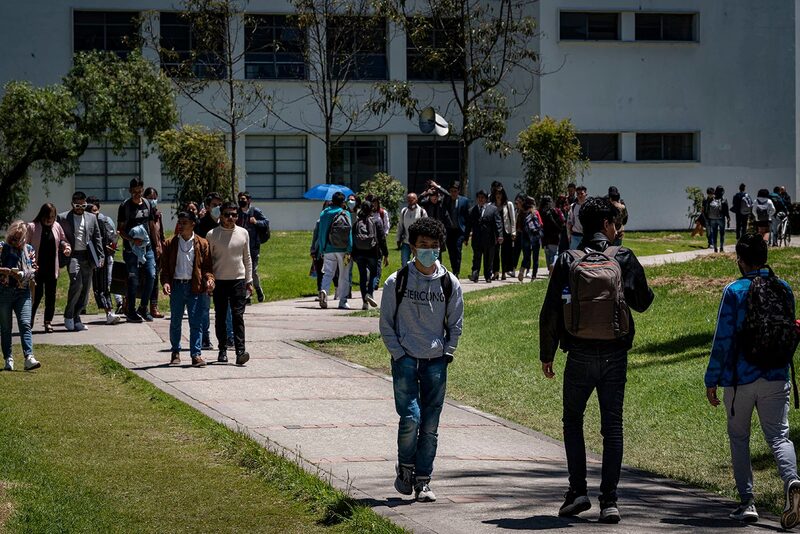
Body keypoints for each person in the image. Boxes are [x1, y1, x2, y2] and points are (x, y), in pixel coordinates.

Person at [540, 196, 654, 524]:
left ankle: (577, 492)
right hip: (615, 355)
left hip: (578, 354)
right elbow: (643, 303)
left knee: (573, 421)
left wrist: (547, 353)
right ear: (606, 224)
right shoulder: (622, 256)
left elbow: (550, 311)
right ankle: (610, 502)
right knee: (612, 426)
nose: (618, 229)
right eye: (615, 223)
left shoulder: (567, 259)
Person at [704, 233, 800, 528]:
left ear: (740, 261)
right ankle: (793, 480)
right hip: (776, 376)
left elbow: (723, 338)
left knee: (740, 438)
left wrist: (712, 378)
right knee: (779, 436)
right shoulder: (784, 289)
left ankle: (747, 502)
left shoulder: (734, 291)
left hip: (740, 379)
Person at [379, 217, 464, 503]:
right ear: (412, 248)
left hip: (436, 361)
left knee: (430, 425)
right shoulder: (397, 281)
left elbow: (456, 323)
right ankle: (406, 469)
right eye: (423, 246)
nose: (429, 250)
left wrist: (448, 351)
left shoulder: (450, 283)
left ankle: (423, 480)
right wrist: (398, 353)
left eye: (434, 246)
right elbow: (386, 324)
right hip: (405, 359)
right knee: (410, 418)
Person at [161, 211, 215, 368]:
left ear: (193, 224)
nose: (181, 225)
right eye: (179, 222)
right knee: (175, 321)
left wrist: (210, 279)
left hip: (194, 287)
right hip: (177, 286)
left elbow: (207, 268)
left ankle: (196, 354)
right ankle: (175, 352)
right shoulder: (170, 244)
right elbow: (165, 268)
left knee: (196, 322)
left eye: (185, 222)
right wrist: (165, 282)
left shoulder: (202, 243)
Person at [206, 202, 253, 366]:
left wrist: (249, 281)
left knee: (237, 316)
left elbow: (247, 258)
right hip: (219, 281)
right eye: (227, 214)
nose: (230, 218)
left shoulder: (243, 233)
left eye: (234, 215)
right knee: (220, 316)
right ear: (220, 215)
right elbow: (208, 261)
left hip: (238, 281)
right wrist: (209, 280)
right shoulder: (212, 234)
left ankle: (240, 350)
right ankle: (222, 349)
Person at [59, 191, 105, 332]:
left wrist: (101, 256)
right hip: (73, 256)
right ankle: (68, 315)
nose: (80, 207)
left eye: (82, 204)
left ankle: (77, 316)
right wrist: (63, 245)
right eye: (77, 204)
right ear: (72, 203)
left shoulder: (91, 217)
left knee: (85, 289)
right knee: (76, 284)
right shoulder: (63, 218)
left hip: (88, 256)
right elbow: (59, 236)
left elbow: (97, 238)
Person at [0, 221, 40, 371]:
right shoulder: (2, 248)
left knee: (25, 324)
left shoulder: (29, 250)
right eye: (13, 238)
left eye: (19, 239)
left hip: (23, 292)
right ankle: (8, 358)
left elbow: (34, 269)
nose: (16, 242)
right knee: (5, 327)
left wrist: (23, 273)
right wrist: (7, 271)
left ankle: (29, 357)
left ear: (25, 238)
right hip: (4, 291)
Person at [117, 179, 158, 323]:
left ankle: (143, 307)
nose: (137, 194)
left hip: (147, 248)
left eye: (139, 191)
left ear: (142, 190)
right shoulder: (125, 206)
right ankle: (131, 310)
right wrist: (132, 240)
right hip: (131, 249)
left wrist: (156, 244)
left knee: (151, 276)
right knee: (133, 280)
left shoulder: (147, 204)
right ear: (130, 191)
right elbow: (120, 230)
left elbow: (152, 225)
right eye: (134, 191)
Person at [28, 203, 70, 333]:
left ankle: (48, 322)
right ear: (41, 215)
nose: (49, 219)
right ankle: (28, 322)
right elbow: (25, 244)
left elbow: (63, 240)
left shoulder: (57, 226)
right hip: (36, 268)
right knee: (36, 296)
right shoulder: (32, 227)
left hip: (52, 268)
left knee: (51, 297)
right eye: (47, 216)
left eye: (52, 216)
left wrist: (65, 247)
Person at [86, 197, 122, 325]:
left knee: (104, 285)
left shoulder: (103, 221)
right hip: (89, 259)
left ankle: (110, 312)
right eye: (92, 211)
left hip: (103, 258)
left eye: (96, 210)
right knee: (88, 287)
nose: (95, 214)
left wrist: (110, 247)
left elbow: (112, 239)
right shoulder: (86, 224)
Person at [196, 192, 223, 349]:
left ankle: (228, 338)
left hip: (222, 269)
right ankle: (205, 338)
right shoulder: (201, 225)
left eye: (220, 204)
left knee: (224, 307)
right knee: (205, 307)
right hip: (206, 270)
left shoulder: (224, 223)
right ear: (207, 207)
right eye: (214, 205)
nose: (218, 208)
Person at [317, 192, 353, 310]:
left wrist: (322, 248)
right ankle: (343, 301)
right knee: (344, 275)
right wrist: (349, 248)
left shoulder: (324, 213)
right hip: (343, 249)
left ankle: (324, 291)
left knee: (328, 272)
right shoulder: (345, 213)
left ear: (332, 200)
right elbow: (349, 233)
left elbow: (321, 233)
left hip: (328, 248)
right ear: (343, 202)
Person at [352, 202, 389, 310]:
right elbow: (382, 239)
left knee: (362, 276)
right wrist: (385, 254)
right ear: (372, 209)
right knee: (373, 274)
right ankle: (370, 293)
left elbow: (352, 238)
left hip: (359, 253)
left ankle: (364, 302)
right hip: (373, 252)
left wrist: (352, 253)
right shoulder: (377, 221)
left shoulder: (357, 223)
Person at [236, 191, 270, 303]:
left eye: (243, 199)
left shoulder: (255, 211)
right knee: (242, 271)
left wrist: (256, 222)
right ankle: (247, 296)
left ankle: (258, 290)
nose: (241, 201)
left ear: (249, 200)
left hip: (253, 247)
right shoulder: (237, 213)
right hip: (239, 247)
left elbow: (266, 222)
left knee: (252, 271)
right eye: (240, 199)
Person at [465, 189, 502, 283]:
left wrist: (499, 235)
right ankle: (475, 274)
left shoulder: (493, 210)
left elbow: (498, 223)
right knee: (476, 258)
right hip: (477, 239)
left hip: (489, 239)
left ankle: (488, 275)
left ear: (486, 199)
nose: (480, 199)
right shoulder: (472, 211)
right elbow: (468, 225)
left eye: (483, 198)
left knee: (488, 259)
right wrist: (466, 238)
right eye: (479, 197)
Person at [143, 187, 166, 319]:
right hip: (144, 249)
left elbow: (161, 233)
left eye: (154, 198)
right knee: (145, 278)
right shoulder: (142, 214)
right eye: (150, 198)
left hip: (156, 249)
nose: (152, 201)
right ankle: (135, 305)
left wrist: (161, 247)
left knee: (154, 278)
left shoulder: (158, 215)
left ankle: (154, 307)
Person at [396, 193, 427, 266]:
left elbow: (426, 228)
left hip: (417, 243)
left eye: (412, 199)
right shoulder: (404, 211)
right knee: (404, 263)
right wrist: (398, 239)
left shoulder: (422, 212)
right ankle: (405, 276)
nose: (410, 201)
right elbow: (400, 226)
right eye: (408, 200)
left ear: (416, 200)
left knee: (417, 264)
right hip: (406, 242)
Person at [492, 185, 516, 280]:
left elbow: (513, 219)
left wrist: (513, 232)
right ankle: (496, 272)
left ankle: (504, 272)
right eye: (497, 193)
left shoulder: (508, 204)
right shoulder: (492, 205)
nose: (498, 195)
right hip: (496, 232)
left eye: (500, 193)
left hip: (506, 231)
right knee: (495, 252)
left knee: (505, 253)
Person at [367, 195, 390, 291]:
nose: (374, 205)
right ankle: (370, 280)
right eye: (372, 203)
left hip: (379, 242)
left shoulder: (382, 212)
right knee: (368, 263)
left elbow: (386, 226)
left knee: (378, 263)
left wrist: (383, 236)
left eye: (375, 203)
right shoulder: (366, 213)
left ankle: (375, 282)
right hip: (368, 242)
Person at [310, 200, 333, 296]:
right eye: (326, 206)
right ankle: (320, 291)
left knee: (330, 271)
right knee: (320, 271)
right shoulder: (319, 221)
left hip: (330, 249)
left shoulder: (334, 220)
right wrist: (313, 249)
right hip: (319, 249)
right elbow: (315, 236)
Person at [518, 197, 543, 281]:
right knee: (535, 258)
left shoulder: (522, 212)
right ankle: (534, 276)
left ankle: (522, 270)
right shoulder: (535, 212)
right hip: (535, 237)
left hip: (525, 237)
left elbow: (519, 226)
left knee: (526, 256)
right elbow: (540, 224)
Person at [540, 195, 564, 274]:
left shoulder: (541, 212)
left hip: (545, 237)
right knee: (555, 253)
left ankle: (550, 266)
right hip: (555, 236)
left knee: (548, 253)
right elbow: (562, 221)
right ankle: (553, 264)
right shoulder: (556, 211)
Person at [706, 186, 731, 253]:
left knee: (714, 234)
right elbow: (726, 211)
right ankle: (721, 248)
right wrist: (728, 218)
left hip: (712, 219)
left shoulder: (711, 199)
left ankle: (715, 249)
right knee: (722, 234)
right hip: (721, 218)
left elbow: (707, 209)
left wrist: (708, 218)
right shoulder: (723, 199)